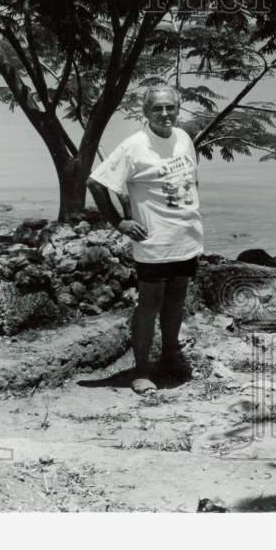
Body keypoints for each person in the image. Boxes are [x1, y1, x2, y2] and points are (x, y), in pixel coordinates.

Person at [88, 86, 202, 396]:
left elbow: (191, 179)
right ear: (146, 113)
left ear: (178, 109)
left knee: (176, 304)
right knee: (149, 306)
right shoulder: (134, 146)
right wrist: (120, 222)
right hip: (153, 242)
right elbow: (97, 183)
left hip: (186, 238)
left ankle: (169, 357)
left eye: (170, 108)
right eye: (157, 109)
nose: (165, 114)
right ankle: (141, 370)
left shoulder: (184, 139)